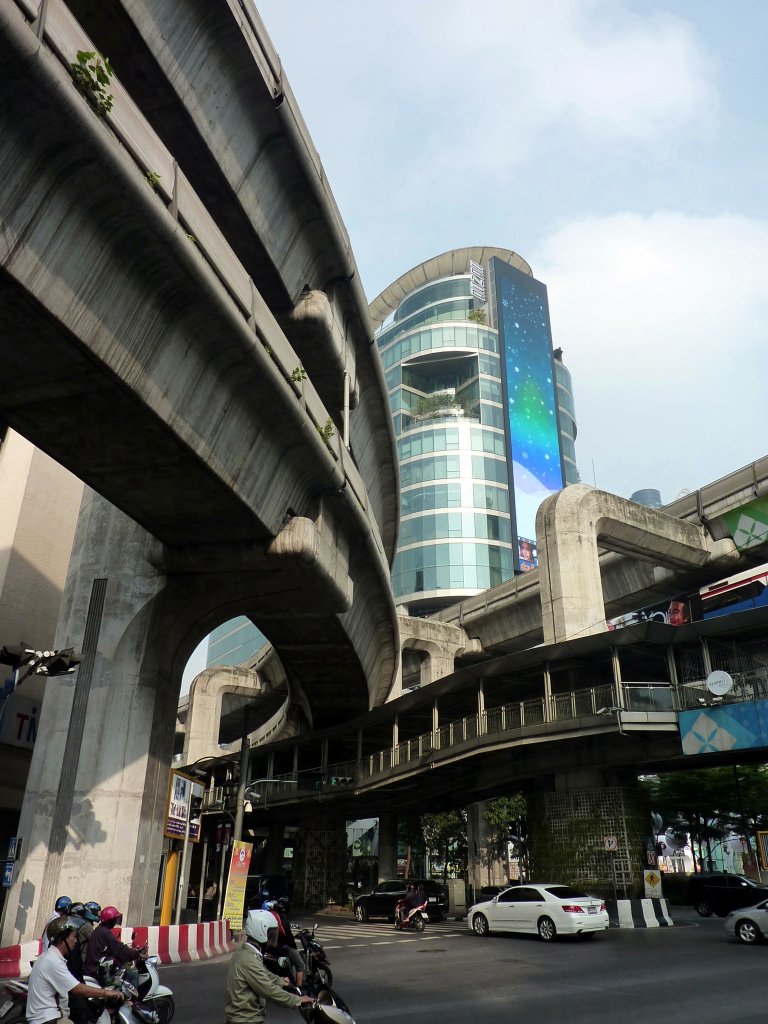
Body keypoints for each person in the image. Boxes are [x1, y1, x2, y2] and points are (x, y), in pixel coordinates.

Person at [27, 917, 123, 1024]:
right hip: (46, 1019)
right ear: (63, 939)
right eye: (74, 936)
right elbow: (77, 989)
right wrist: (107, 993)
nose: (76, 941)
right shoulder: (53, 961)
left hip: (48, 1016)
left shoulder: (49, 956)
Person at [225, 910, 312, 1024]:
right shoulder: (249, 960)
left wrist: (281, 981)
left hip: (244, 1016)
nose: (274, 938)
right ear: (261, 932)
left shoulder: (246, 952)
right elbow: (269, 990)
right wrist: (297, 999)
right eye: (271, 934)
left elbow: (263, 973)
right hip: (246, 1019)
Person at [84, 906, 147, 987]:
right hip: (97, 970)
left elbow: (113, 948)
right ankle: (133, 999)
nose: (116, 922)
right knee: (133, 975)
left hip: (94, 968)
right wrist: (138, 954)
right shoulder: (105, 933)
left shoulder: (100, 930)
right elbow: (120, 949)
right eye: (115, 919)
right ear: (111, 920)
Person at [262, 900, 304, 990]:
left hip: (266, 948)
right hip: (280, 947)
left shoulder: (263, 918)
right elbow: (285, 934)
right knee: (300, 965)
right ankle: (299, 989)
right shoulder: (278, 917)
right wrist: (293, 947)